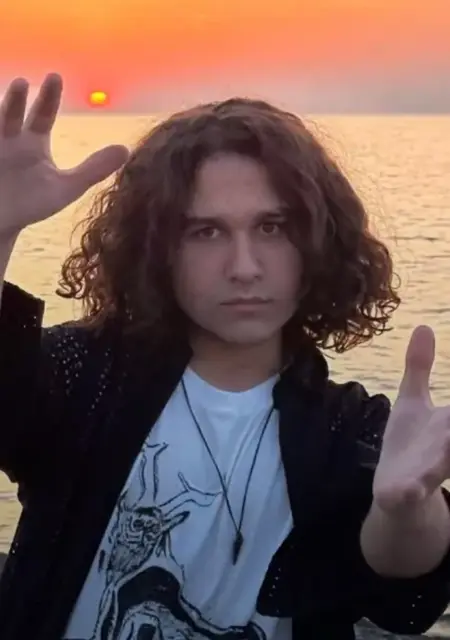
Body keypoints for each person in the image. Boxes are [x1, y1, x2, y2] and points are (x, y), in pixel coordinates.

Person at [0, 73, 450, 640]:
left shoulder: (347, 426)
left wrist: (407, 509)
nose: (244, 267)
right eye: (206, 232)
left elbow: (403, 583)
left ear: (318, 240)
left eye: (272, 227)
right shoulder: (84, 375)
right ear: (156, 249)